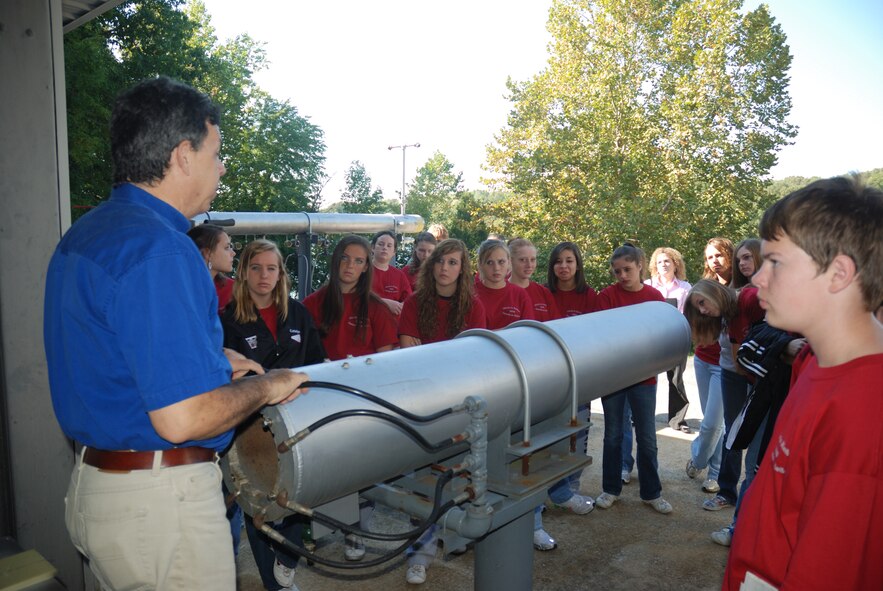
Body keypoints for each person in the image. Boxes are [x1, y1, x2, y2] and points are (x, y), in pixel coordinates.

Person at [44, 76, 308, 591]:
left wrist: (212, 358)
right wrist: (268, 385)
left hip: (101, 490)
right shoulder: (162, 249)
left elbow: (116, 352)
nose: (222, 166)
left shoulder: (89, 233)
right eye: (216, 152)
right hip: (160, 505)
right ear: (183, 155)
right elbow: (182, 417)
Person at [724, 177, 883, 590]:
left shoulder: (863, 414)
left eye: (774, 262)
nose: (757, 278)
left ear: (838, 274)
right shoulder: (814, 362)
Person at [222, 239, 327, 591]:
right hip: (251, 426)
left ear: (281, 274)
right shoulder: (228, 320)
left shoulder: (297, 313)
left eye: (271, 268)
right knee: (259, 503)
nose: (263, 275)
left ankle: (289, 557)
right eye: (256, 268)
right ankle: (274, 583)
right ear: (244, 273)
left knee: (299, 491)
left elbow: (316, 360)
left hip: (298, 419)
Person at [303, 235, 399, 564]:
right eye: (346, 258)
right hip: (320, 402)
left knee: (359, 470)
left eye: (359, 261)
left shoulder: (376, 308)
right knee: (325, 469)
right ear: (335, 261)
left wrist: (359, 370)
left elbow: (386, 362)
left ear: (366, 267)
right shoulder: (311, 305)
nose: (351, 266)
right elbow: (300, 357)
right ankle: (317, 529)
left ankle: (356, 529)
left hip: (362, 403)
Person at [397, 239, 486, 585]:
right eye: (441, 262)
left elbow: (473, 359)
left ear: (462, 270)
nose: (446, 268)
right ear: (431, 265)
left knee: (460, 474)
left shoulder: (473, 306)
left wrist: (434, 356)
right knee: (422, 483)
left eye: (453, 263)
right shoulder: (414, 303)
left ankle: (458, 534)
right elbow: (409, 356)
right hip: (422, 403)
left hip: (461, 401)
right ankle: (419, 553)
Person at [594, 244, 672, 514]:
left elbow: (662, 335)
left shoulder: (654, 296)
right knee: (613, 435)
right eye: (617, 271)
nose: (622, 275)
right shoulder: (606, 296)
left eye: (627, 269)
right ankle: (610, 488)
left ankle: (651, 492)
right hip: (614, 378)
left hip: (644, 378)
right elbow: (601, 335)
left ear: (640, 265)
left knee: (647, 437)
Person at [683, 278, 764, 513]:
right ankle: (725, 489)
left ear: (713, 291)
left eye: (702, 303)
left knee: (742, 436)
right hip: (729, 374)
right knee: (730, 431)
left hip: (755, 378)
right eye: (698, 308)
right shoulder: (723, 316)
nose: (703, 310)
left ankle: (748, 501)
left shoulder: (749, 299)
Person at [684, 237, 735, 494]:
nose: (714, 261)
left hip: (726, 366)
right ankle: (712, 469)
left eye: (719, 255)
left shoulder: (741, 289)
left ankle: (703, 464)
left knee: (713, 425)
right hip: (704, 361)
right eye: (709, 257)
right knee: (712, 422)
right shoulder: (703, 289)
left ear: (730, 255)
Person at [644, 247, 693, 433]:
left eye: (667, 261)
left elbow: (689, 314)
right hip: (651, 339)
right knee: (646, 379)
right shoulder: (647, 285)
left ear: (675, 264)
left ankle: (678, 421)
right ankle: (641, 416)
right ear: (654, 266)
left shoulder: (685, 288)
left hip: (676, 339)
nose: (663, 265)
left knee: (676, 380)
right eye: (659, 262)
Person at [473, 239, 535, 329]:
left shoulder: (520, 295)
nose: (496, 268)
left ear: (509, 263)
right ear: (480, 265)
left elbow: (528, 331)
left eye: (501, 262)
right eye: (489, 262)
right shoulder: (469, 294)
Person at [507, 238, 561, 322]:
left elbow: (556, 324)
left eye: (533, 260)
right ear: (510, 261)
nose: (529, 265)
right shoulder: (501, 292)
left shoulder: (544, 293)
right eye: (523, 260)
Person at [188, 223, 236, 311]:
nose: (233, 253)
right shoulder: (186, 291)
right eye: (227, 247)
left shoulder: (232, 288)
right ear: (207, 253)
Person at [546, 241, 598, 317]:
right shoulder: (542, 293)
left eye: (569, 261)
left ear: (577, 265)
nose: (563, 266)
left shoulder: (589, 295)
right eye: (558, 261)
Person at [371, 230, 412, 317]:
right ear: (373, 247)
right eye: (381, 244)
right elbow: (355, 298)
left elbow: (409, 300)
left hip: (392, 327)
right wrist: (384, 303)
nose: (385, 248)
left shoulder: (399, 275)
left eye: (389, 246)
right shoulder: (362, 271)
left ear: (394, 252)